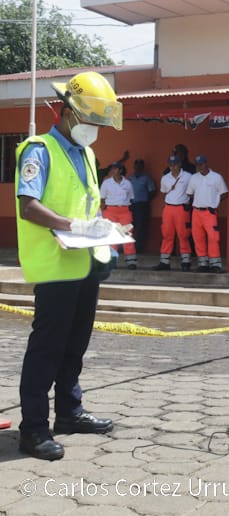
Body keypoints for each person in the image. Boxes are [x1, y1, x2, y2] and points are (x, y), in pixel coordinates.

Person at [14, 71, 122, 461]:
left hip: (84, 263)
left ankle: (69, 412)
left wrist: (102, 226)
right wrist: (72, 225)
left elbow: (85, 203)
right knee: (47, 348)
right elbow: (29, 206)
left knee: (75, 345)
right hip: (55, 267)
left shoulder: (88, 154)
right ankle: (34, 428)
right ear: (68, 113)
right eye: (91, 121)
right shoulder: (38, 150)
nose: (95, 130)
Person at [186, 154, 228, 273]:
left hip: (210, 211)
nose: (200, 166)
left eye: (202, 164)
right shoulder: (194, 178)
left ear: (206, 163)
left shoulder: (216, 177)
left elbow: (224, 193)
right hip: (196, 211)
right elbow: (190, 193)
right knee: (198, 237)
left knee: (213, 238)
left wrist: (214, 202)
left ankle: (215, 264)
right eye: (198, 164)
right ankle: (203, 263)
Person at [152, 155, 193, 271]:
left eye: (174, 164)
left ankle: (186, 261)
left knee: (183, 235)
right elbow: (164, 193)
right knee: (167, 235)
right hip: (168, 208)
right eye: (170, 164)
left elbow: (192, 192)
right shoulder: (165, 178)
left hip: (182, 208)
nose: (172, 167)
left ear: (179, 164)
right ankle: (164, 262)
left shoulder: (188, 177)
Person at [99, 161, 138, 269]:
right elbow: (102, 198)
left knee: (127, 234)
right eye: (112, 169)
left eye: (116, 169)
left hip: (124, 210)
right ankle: (112, 261)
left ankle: (131, 261)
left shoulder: (127, 183)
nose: (113, 171)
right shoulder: (106, 183)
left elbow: (130, 198)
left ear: (121, 171)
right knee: (111, 235)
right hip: (110, 210)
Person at [127, 158, 156, 254]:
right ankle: (129, 249)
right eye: (136, 166)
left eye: (140, 166)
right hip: (131, 205)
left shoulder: (147, 178)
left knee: (141, 228)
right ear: (134, 167)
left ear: (143, 167)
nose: (138, 168)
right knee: (130, 227)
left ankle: (138, 249)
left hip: (142, 205)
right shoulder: (130, 178)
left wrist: (146, 200)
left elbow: (152, 191)